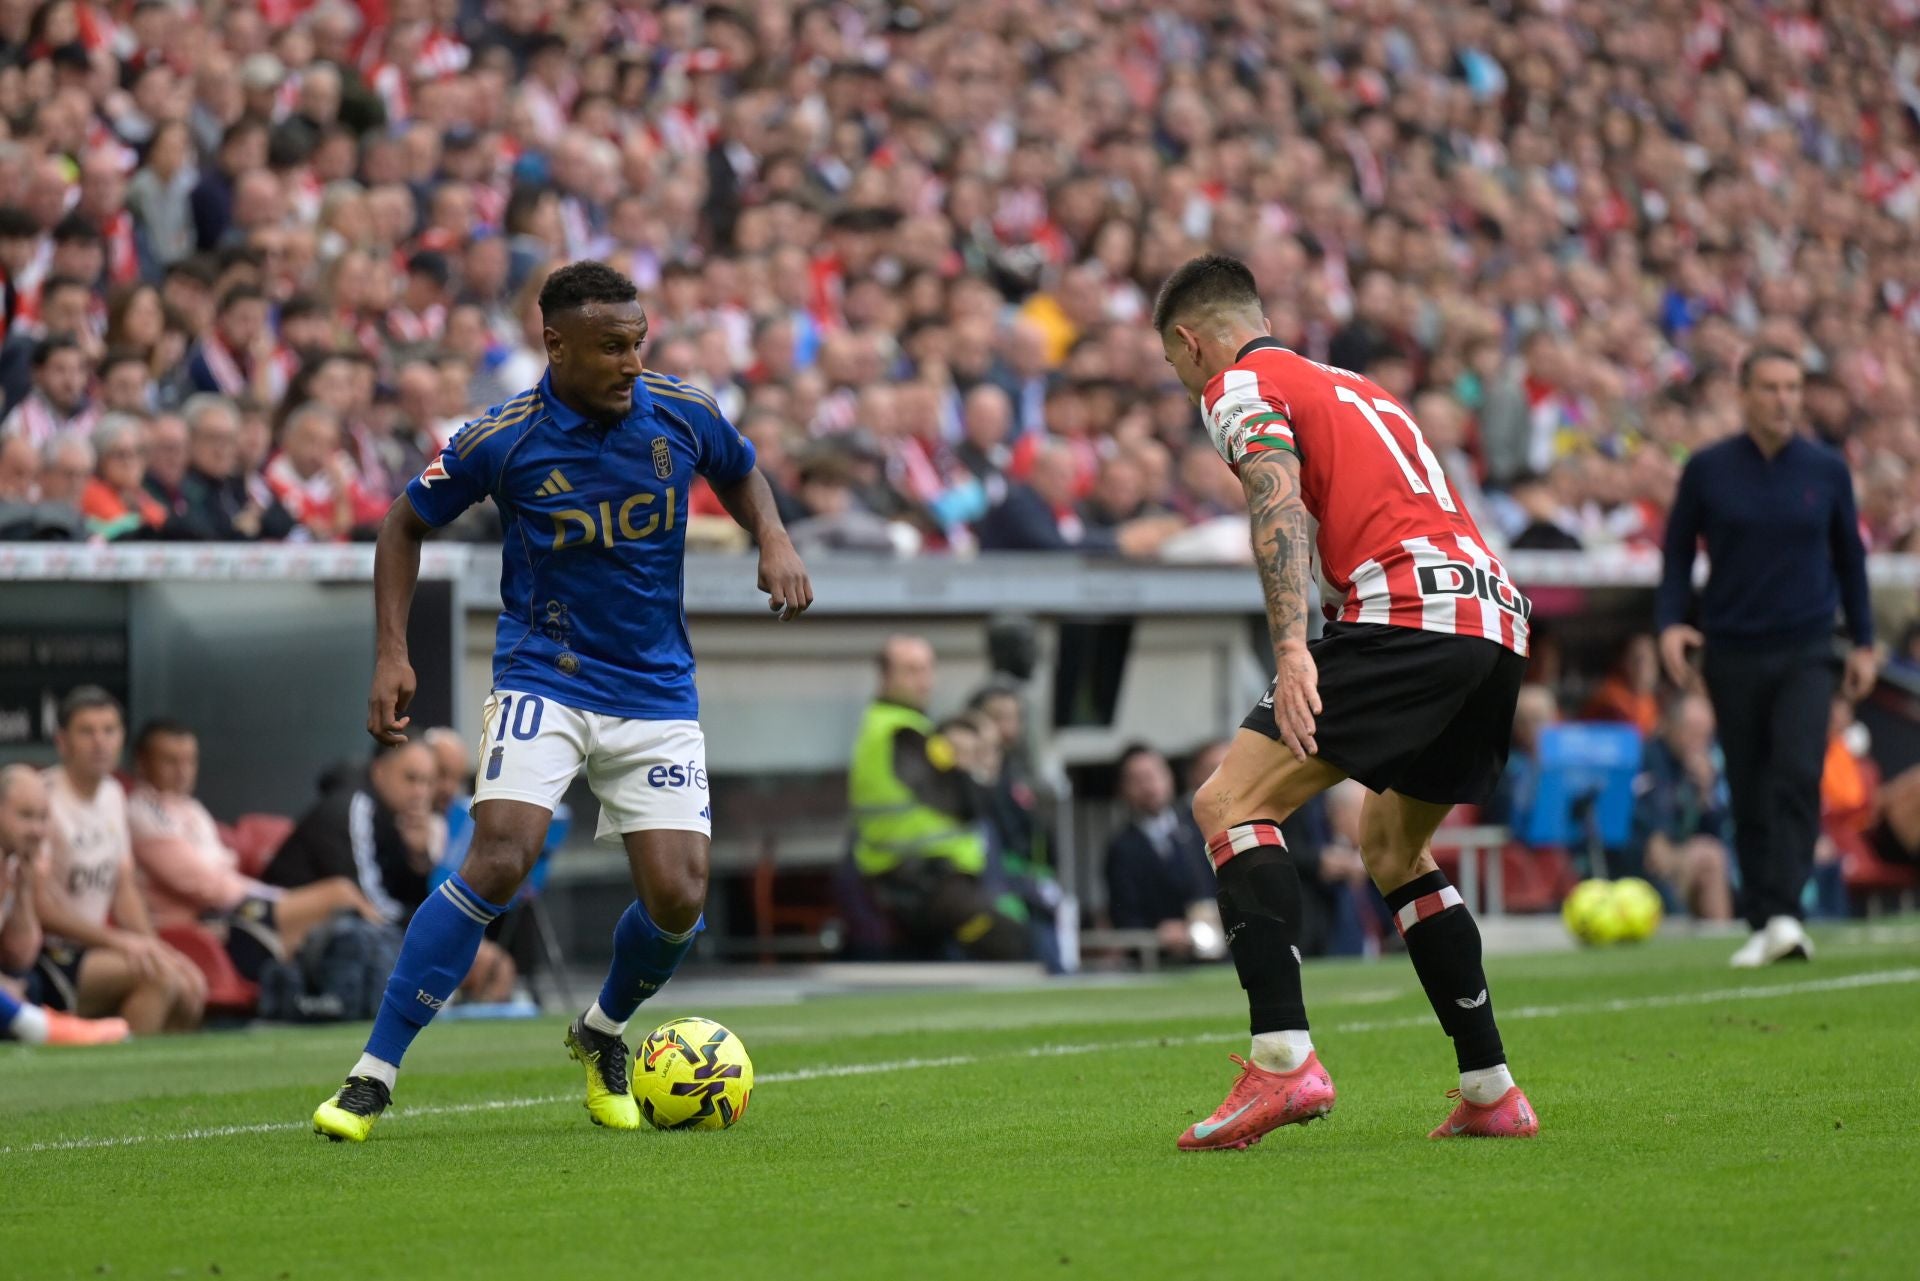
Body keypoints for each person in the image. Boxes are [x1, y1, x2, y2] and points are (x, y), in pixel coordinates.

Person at [312, 261, 812, 1141]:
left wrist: (770, 536)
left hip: (656, 687)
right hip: (546, 672)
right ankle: (372, 1073)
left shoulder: (681, 411)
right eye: (611, 347)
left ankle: (602, 1030)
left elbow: (742, 470)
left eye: (637, 342)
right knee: (500, 855)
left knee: (680, 896)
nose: (630, 361)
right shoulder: (500, 438)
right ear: (556, 345)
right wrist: (391, 650)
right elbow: (403, 523)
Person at [1152, 254, 1537, 1150]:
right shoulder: (1354, 384)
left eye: (1179, 368)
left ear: (1190, 340)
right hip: (1496, 619)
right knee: (1393, 843)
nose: (1187, 384)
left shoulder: (1240, 383)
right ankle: (1491, 1087)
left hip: (1409, 610)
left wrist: (1293, 645)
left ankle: (1283, 1063)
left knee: (1229, 802)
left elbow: (1276, 506)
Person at [1656, 347, 1877, 968]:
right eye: (1771, 387)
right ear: (1744, 392)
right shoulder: (1707, 469)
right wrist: (1672, 624)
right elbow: (1676, 556)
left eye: (1793, 387)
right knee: (1749, 783)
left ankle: (1785, 912)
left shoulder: (1827, 469)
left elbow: (1850, 560)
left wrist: (1862, 640)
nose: (1784, 399)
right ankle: (1762, 917)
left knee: (1798, 769)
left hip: (1808, 646)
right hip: (1731, 648)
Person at [128, 720, 381, 978]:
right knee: (340, 893)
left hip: (230, 912)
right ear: (142, 762)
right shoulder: (142, 813)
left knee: (339, 915)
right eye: (170, 761)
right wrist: (275, 896)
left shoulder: (191, 809)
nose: (182, 771)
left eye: (189, 761)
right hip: (201, 926)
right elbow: (209, 886)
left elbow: (223, 873)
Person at [34, 687, 205, 1035]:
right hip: (48, 954)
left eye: (109, 730)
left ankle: (166, 1085)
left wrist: (153, 945)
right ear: (62, 741)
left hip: (95, 949)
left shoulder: (113, 794)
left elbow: (124, 890)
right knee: (159, 979)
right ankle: (116, 1080)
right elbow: (41, 907)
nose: (100, 742)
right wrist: (120, 942)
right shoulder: (43, 797)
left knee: (191, 984)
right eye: (87, 731)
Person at [848, 635, 1029, 962]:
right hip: (921, 880)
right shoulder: (901, 732)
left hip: (932, 877)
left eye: (927, 669)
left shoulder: (903, 725)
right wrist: (983, 764)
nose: (924, 680)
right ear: (885, 677)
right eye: (911, 670)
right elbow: (965, 801)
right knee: (1012, 939)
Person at [1, 765, 131, 1045]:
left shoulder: (12, 864)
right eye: (25, 816)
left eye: (42, 818)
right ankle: (42, 1027)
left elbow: (18, 956)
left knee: (27, 982)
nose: (36, 830)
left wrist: (23, 889)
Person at [1103, 744, 1221, 960]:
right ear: (1123, 789)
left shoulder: (1199, 829)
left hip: (1217, 949)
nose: (1149, 786)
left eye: (1154, 774)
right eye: (1137, 779)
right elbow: (1124, 914)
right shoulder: (1121, 849)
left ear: (1169, 777)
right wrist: (1159, 932)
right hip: (1159, 959)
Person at [1629, 696, 1736, 922]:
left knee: (1712, 856)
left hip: (1686, 858)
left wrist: (1706, 793)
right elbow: (1646, 819)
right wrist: (1657, 836)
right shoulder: (1648, 756)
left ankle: (1718, 937)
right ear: (1670, 726)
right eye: (1692, 732)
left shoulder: (1705, 771)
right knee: (1709, 857)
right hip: (1641, 862)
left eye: (1705, 736)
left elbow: (1718, 830)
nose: (1698, 743)